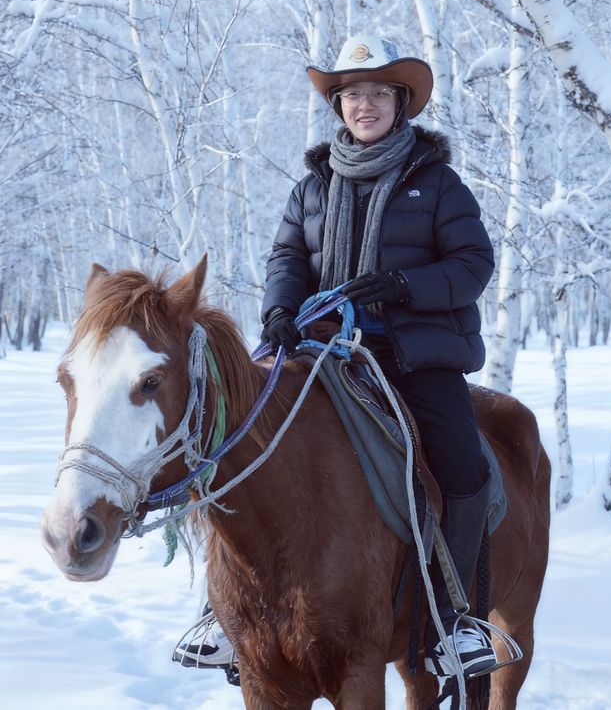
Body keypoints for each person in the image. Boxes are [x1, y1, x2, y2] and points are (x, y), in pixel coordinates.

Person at [174, 33, 497, 679]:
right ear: (339, 105)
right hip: (320, 351)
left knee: (463, 465)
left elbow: (473, 263)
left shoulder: (435, 183)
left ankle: (457, 621)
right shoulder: (312, 188)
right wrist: (277, 312)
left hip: (412, 356)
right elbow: (288, 259)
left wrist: (406, 287)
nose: (365, 104)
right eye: (353, 94)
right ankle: (224, 613)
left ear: (401, 103)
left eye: (378, 93)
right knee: (233, 445)